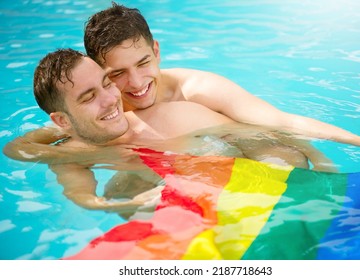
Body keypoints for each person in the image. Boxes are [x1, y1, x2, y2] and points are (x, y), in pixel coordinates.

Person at [3, 2, 360, 164]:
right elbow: (47, 134)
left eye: (143, 63)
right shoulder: (107, 106)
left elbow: (282, 123)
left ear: (156, 50)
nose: (136, 84)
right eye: (117, 74)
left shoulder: (200, 90)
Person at [13, 48, 332, 216]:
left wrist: (319, 165)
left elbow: (265, 136)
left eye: (107, 83)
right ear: (62, 121)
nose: (111, 99)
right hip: (163, 193)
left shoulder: (168, 117)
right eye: (89, 97)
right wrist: (129, 204)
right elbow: (87, 199)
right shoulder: (67, 157)